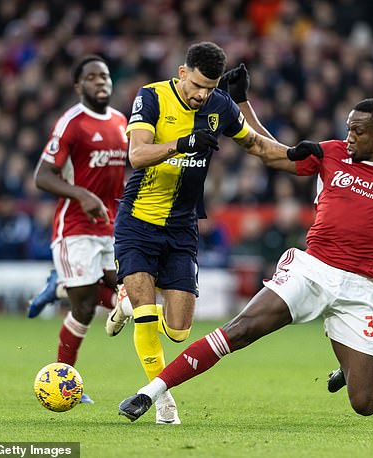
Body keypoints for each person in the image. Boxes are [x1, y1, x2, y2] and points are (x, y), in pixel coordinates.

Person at [117, 87, 373, 422]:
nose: (350, 136)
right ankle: (150, 393)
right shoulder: (332, 153)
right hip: (313, 269)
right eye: (348, 129)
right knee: (241, 330)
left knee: (365, 405)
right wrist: (243, 104)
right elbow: (273, 153)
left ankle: (348, 362)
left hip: (361, 287)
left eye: (358, 131)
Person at [112, 42, 302, 424]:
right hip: (138, 220)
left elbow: (261, 148)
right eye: (197, 85)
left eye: (209, 88)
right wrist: (181, 144)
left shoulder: (220, 105)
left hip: (182, 226)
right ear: (182, 72)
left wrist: (307, 157)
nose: (202, 95)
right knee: (150, 317)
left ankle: (129, 302)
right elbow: (136, 154)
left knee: (179, 332)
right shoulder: (152, 96)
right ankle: (163, 403)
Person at [26, 55, 129, 403]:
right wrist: (82, 194)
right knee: (85, 308)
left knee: (126, 292)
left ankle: (59, 285)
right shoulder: (71, 123)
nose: (101, 82)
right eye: (92, 77)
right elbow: (42, 176)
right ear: (78, 85)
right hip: (75, 227)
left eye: (106, 76)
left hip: (111, 225)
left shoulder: (120, 122)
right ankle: (64, 379)